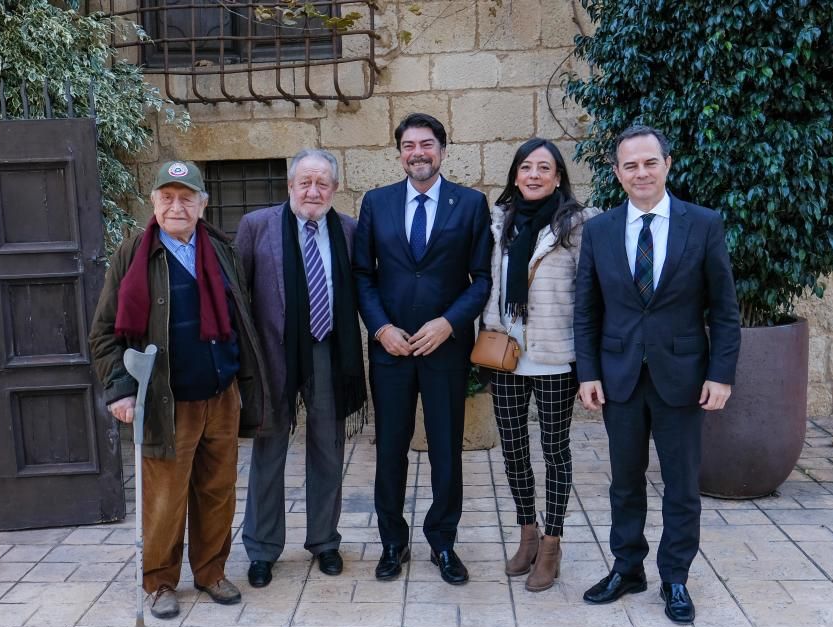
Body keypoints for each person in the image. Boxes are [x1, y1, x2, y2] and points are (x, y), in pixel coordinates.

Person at [573, 125, 740, 623]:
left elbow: (725, 310)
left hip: (683, 377)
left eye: (649, 163)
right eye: (630, 165)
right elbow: (587, 310)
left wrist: (721, 374)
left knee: (681, 483)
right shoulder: (600, 230)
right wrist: (588, 372)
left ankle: (675, 578)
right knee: (624, 481)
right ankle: (627, 568)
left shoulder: (704, 224)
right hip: (619, 376)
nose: (640, 173)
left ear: (668, 164)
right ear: (618, 173)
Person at [90, 161, 269, 619]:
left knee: (217, 491)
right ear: (153, 203)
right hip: (167, 400)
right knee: (165, 498)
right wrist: (120, 389)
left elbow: (242, 321)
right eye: (166, 197)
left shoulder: (221, 249)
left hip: (221, 394)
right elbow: (105, 332)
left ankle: (210, 572)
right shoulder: (134, 254)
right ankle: (160, 582)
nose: (176, 206)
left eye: (186, 197)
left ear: (202, 204)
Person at [353, 113, 492, 585]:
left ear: (443, 150)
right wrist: (380, 328)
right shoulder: (377, 203)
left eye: (427, 144)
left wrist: (450, 323)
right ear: (399, 154)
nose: (418, 152)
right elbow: (363, 275)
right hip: (391, 350)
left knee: (446, 450)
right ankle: (393, 541)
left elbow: (483, 279)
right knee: (390, 448)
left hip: (445, 351)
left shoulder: (471, 204)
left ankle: (443, 542)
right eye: (409, 145)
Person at [234, 149, 366, 588]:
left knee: (328, 448)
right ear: (289, 185)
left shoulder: (348, 230)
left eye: (322, 183)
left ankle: (324, 541)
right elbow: (239, 296)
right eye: (305, 182)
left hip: (329, 349)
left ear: (334, 188)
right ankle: (261, 548)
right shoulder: (258, 226)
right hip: (274, 355)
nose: (313, 191)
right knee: (268, 451)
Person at [481, 138, 599, 592]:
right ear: (515, 175)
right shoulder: (500, 222)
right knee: (512, 451)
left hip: (553, 355)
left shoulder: (574, 224)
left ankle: (552, 543)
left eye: (543, 168)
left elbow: (588, 294)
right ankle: (527, 533)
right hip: (506, 352)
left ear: (557, 177)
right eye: (526, 167)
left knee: (554, 451)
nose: (533, 175)